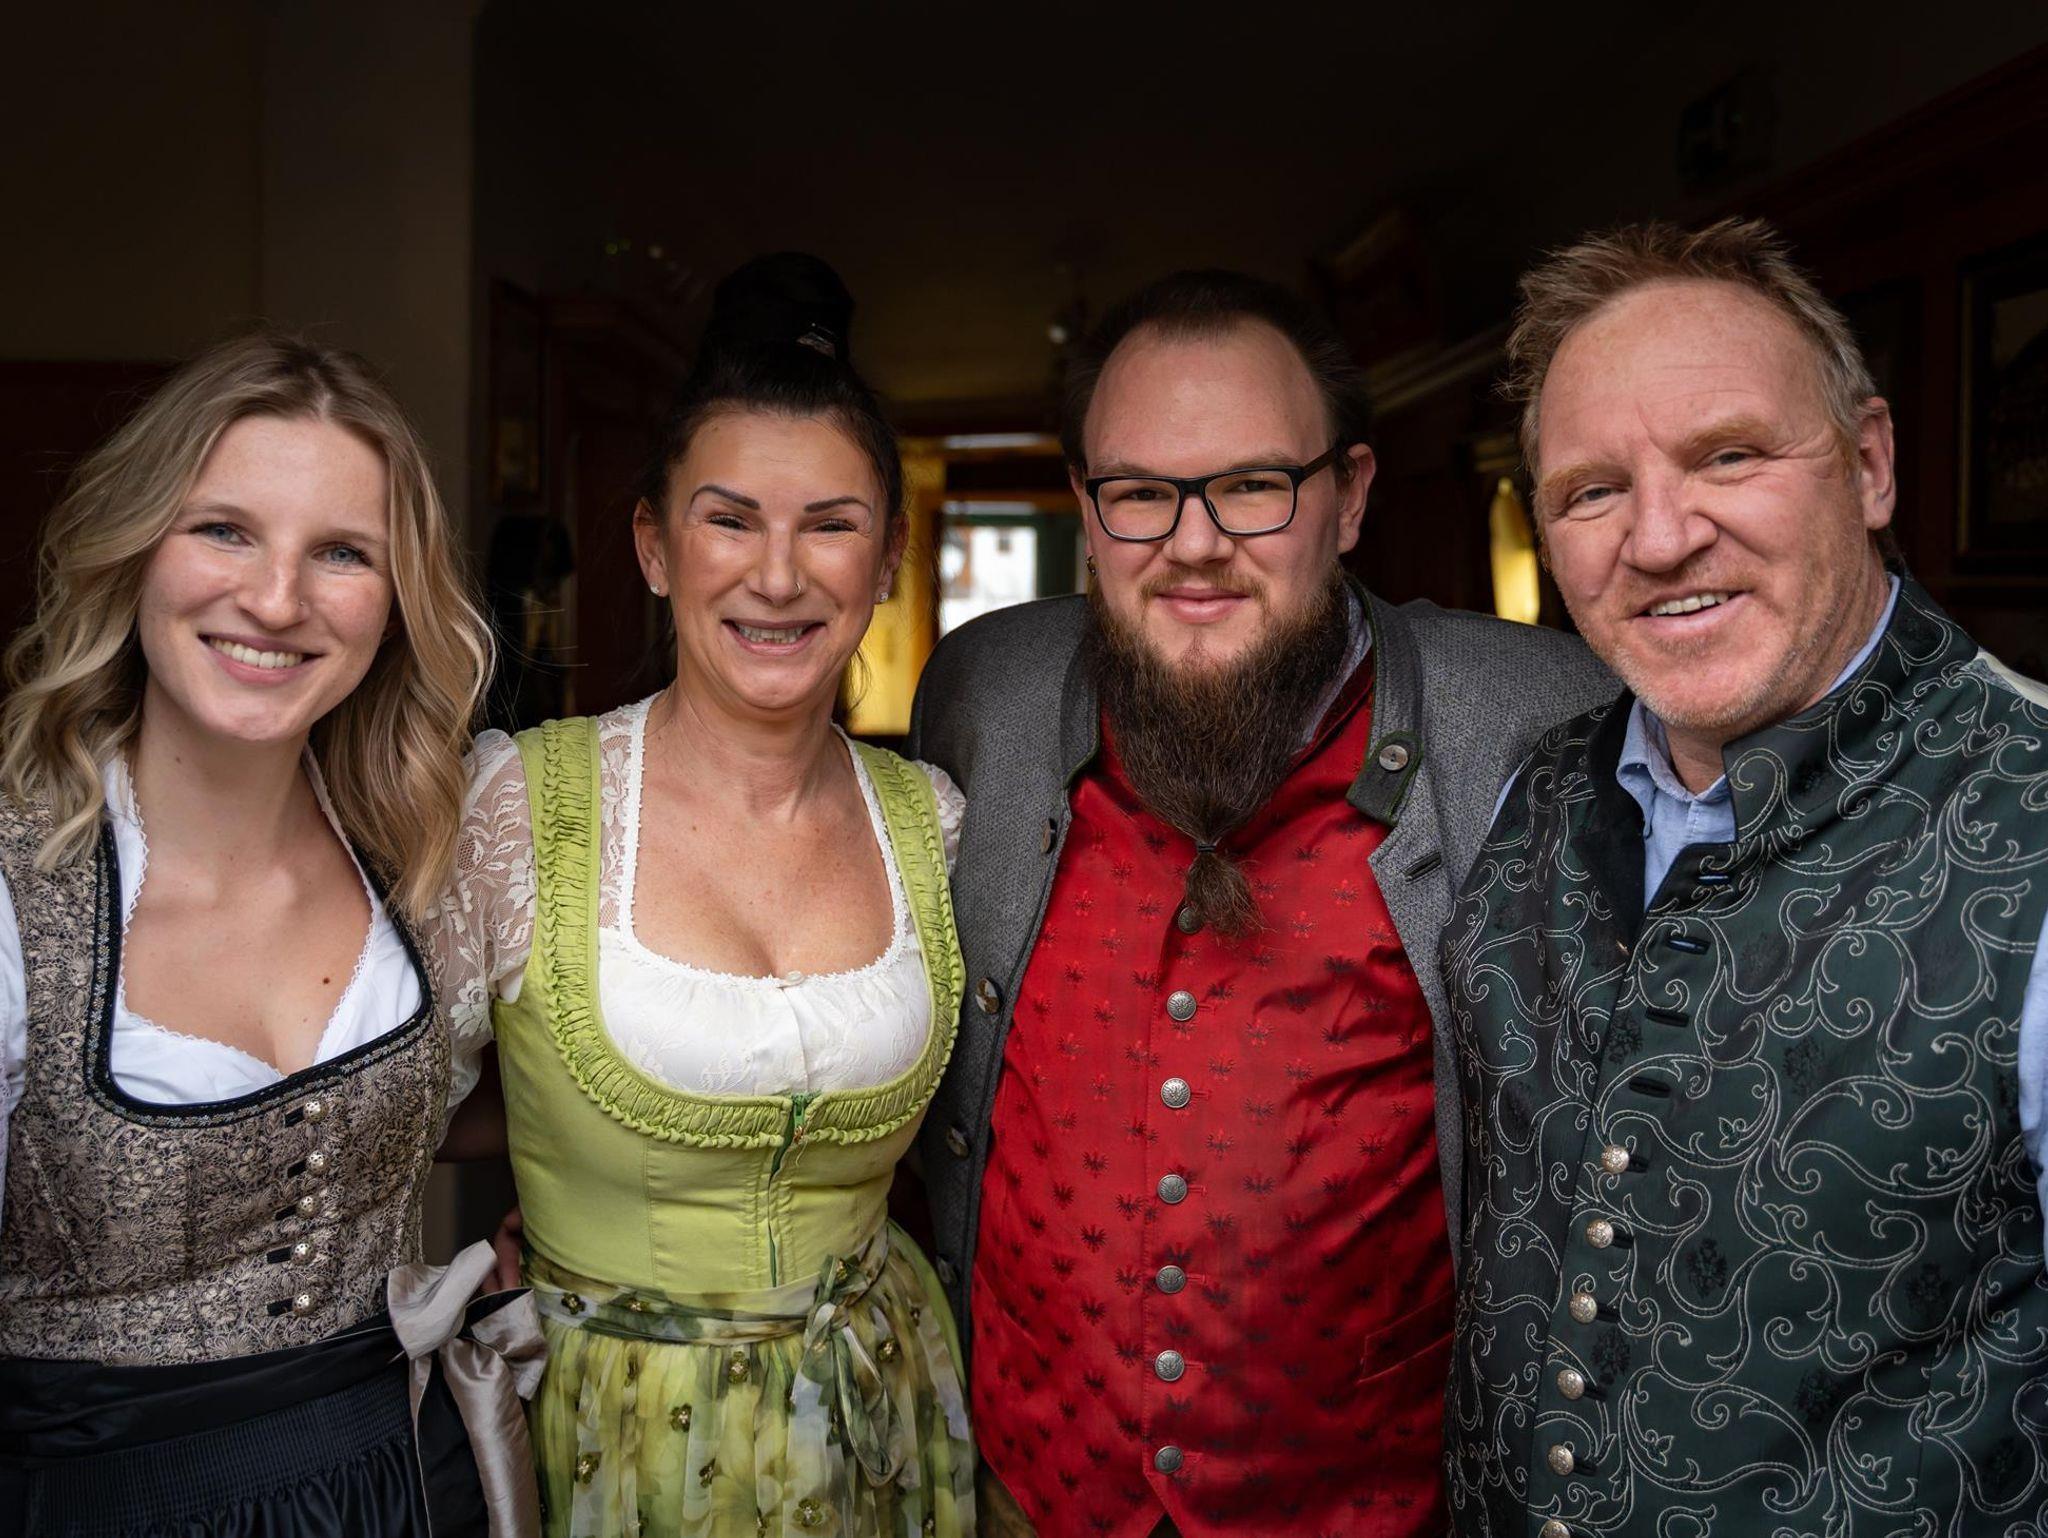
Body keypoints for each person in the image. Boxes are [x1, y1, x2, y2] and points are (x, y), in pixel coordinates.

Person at [907, 270, 1615, 1537]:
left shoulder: (1541, 718)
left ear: (1349, 495)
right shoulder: (981, 694)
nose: (1192, 541)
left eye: (1249, 484)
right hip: (1025, 1493)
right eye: (1138, 492)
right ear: (1085, 508)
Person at [1441, 218, 2048, 1537]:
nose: (1659, 538)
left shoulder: (2032, 817)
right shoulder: (1529, 791)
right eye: (1591, 491)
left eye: (1728, 455)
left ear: (1870, 465)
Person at [441, 254, 975, 1537]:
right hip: (611, 1435)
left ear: (888, 556)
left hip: (885, 1421)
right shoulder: (517, 805)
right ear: (654, 544)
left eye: (830, 524)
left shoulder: (933, 823)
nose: (777, 575)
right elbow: (391, 1109)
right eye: (729, 519)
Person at [0, 334, 540, 1535]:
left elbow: (539, 1083)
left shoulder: (424, 848)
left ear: (395, 602)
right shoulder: (15, 888)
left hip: (403, 1486)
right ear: (135, 545)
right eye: (224, 530)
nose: (277, 598)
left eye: (341, 552)